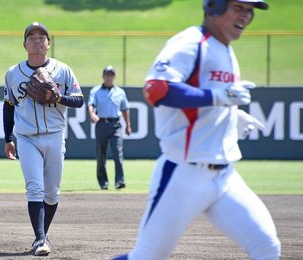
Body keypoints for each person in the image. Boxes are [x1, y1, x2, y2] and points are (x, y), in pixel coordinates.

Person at [113, 0, 281, 259]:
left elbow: (209, 99)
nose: (246, 16)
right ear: (214, 7)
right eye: (239, 8)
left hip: (225, 176)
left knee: (267, 247)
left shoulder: (225, 48)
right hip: (183, 174)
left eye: (250, 10)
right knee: (147, 257)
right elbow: (156, 88)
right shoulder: (191, 42)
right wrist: (218, 97)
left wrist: (231, 116)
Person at [3, 22, 84, 256]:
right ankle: (40, 239)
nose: (37, 40)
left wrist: (57, 97)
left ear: (48, 43)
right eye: (32, 37)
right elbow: (8, 107)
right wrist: (8, 138)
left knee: (52, 192)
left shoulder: (63, 70)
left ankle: (42, 235)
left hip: (55, 136)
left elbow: (79, 100)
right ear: (25, 44)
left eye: (42, 37)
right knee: (35, 188)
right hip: (26, 138)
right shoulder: (13, 73)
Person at [87, 66, 132, 190]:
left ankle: (119, 181)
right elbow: (91, 104)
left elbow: (124, 109)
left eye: (111, 75)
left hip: (115, 124)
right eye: (107, 74)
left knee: (118, 153)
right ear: (103, 76)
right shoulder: (95, 91)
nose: (109, 77)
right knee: (101, 155)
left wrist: (128, 125)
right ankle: (103, 182)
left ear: (114, 77)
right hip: (101, 124)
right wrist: (92, 114)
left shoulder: (120, 92)